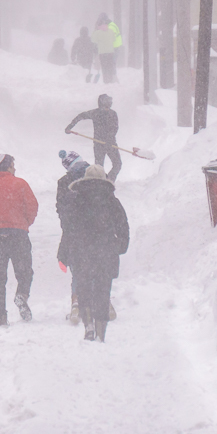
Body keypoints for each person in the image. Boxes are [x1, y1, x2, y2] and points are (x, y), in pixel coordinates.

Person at [59, 165, 129, 342]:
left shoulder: (75, 201)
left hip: (82, 251)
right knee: (103, 290)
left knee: (83, 289)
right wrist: (121, 246)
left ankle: (88, 324)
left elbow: (68, 228)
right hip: (106, 251)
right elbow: (123, 225)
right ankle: (101, 329)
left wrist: (64, 253)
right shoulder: (112, 201)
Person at [0, 153, 39, 325]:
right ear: (9, 166)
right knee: (25, 271)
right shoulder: (21, 184)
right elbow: (32, 207)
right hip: (19, 235)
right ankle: (22, 295)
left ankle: (1, 316)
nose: (15, 168)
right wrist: (25, 223)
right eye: (13, 165)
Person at [56, 150, 89, 323]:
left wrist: (67, 228)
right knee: (97, 269)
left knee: (77, 269)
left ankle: (76, 303)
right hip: (96, 232)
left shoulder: (64, 182)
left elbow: (61, 208)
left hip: (75, 232)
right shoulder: (96, 176)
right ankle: (104, 304)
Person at [64, 93, 121, 182]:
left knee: (116, 164)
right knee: (99, 168)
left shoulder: (112, 113)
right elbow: (80, 116)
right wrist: (69, 127)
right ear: (102, 103)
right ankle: (101, 184)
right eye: (107, 101)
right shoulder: (96, 113)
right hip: (100, 144)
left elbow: (115, 128)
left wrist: (109, 139)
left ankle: (108, 181)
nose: (109, 103)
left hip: (110, 144)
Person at [90, 14, 117, 84]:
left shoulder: (97, 33)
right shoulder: (111, 31)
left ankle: (106, 80)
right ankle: (111, 79)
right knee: (110, 66)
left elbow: (93, 40)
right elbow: (114, 39)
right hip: (111, 52)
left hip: (102, 53)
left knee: (104, 67)